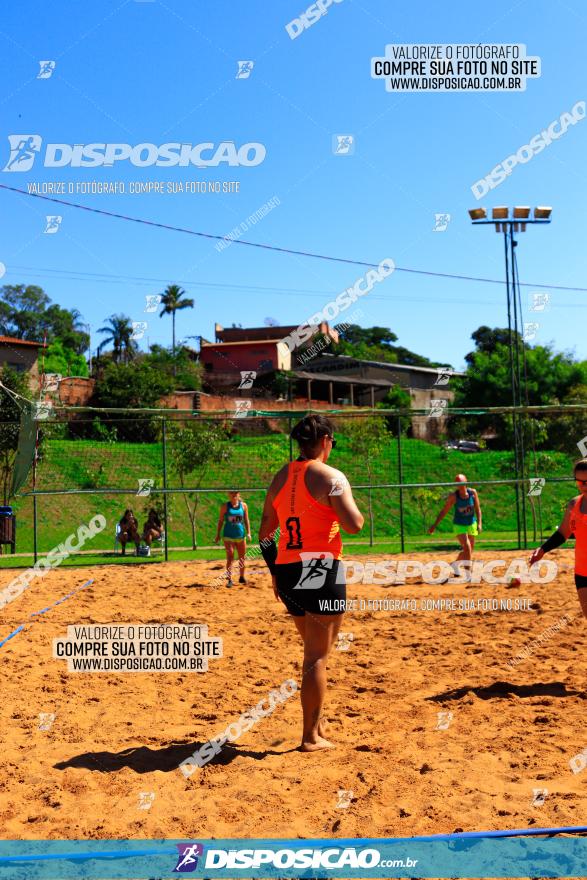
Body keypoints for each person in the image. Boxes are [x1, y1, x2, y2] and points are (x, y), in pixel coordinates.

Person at [259, 414, 364, 752]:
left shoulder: (280, 476)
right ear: (324, 441)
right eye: (331, 443)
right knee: (317, 657)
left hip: (288, 568)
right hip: (319, 566)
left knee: (315, 653)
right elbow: (354, 525)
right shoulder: (331, 477)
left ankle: (315, 721)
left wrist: (275, 570)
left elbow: (264, 532)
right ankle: (310, 737)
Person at [529, 458, 587, 618]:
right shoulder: (574, 505)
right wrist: (543, 549)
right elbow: (563, 533)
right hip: (582, 572)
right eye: (580, 481)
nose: (583, 485)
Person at [428, 474, 482, 578]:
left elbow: (478, 509)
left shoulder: (473, 493)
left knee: (469, 550)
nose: (460, 485)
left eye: (461, 483)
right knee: (467, 547)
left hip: (471, 523)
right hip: (459, 525)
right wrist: (434, 525)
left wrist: (479, 523)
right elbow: (444, 511)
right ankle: (468, 574)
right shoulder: (454, 496)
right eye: (458, 483)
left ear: (466, 482)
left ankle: (454, 565)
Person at [215, 490, 251, 587]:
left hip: (240, 535)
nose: (234, 495)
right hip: (228, 536)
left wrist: (249, 533)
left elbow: (246, 520)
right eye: (232, 493)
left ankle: (242, 577)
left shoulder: (243, 506)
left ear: (239, 495)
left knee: (242, 557)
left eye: (236, 493)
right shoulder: (225, 506)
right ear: (229, 495)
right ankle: (229, 579)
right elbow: (221, 520)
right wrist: (218, 534)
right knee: (230, 556)